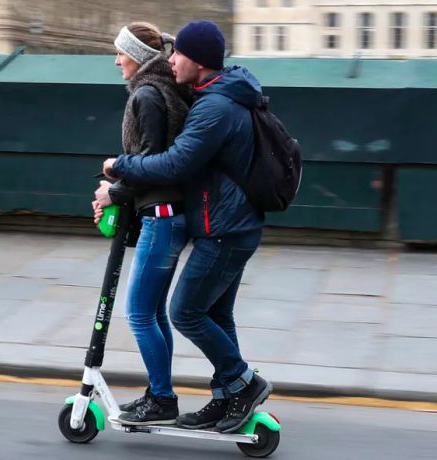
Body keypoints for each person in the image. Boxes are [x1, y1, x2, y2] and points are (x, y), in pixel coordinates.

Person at [102, 20, 272, 434]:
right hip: (229, 222)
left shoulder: (213, 106)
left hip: (224, 227)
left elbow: (172, 163)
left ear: (196, 61)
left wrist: (117, 172)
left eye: (178, 54)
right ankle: (226, 396)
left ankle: (241, 384)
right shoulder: (212, 95)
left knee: (181, 312)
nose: (170, 58)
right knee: (215, 313)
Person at [91, 22, 191, 426]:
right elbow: (150, 159)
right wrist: (117, 182)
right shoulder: (164, 89)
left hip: (162, 217)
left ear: (137, 55)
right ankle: (159, 393)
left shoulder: (148, 95)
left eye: (121, 53)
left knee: (138, 314)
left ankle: (162, 398)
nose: (117, 60)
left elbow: (151, 163)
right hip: (169, 214)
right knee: (154, 313)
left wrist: (113, 193)